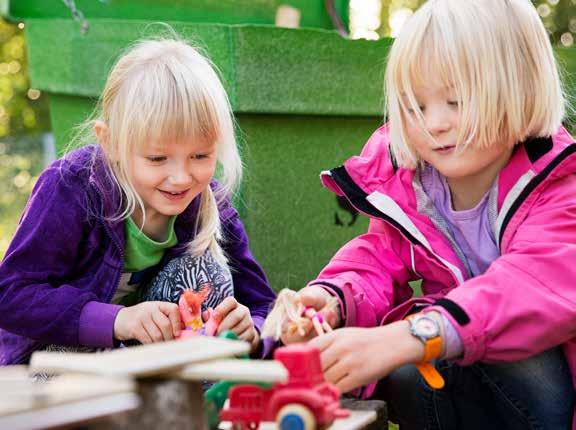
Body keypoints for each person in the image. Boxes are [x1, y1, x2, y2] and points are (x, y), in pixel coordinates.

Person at [280, 0, 576, 428]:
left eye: (455, 101)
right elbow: (376, 258)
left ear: (520, 89)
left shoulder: (559, 184)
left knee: (510, 353)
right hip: (468, 383)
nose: (434, 123)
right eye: (416, 106)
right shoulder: (412, 186)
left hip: (547, 399)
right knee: (407, 371)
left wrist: (413, 335)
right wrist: (332, 300)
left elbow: (529, 287)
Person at [0, 38, 276, 365]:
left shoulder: (207, 202)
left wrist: (251, 329)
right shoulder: (71, 186)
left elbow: (262, 304)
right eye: (158, 158)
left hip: (147, 363)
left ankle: (189, 405)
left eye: (200, 156)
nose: (182, 178)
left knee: (207, 268)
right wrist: (118, 319)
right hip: (56, 364)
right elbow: (11, 295)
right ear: (112, 143)